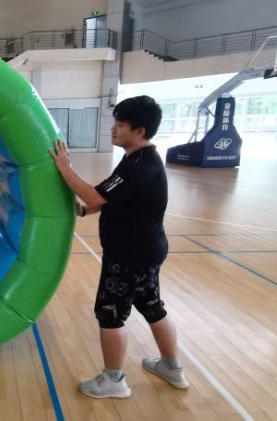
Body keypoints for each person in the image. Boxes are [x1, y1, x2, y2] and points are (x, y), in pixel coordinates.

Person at [50, 96, 188, 399]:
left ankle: (114, 380)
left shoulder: (139, 165)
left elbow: (95, 196)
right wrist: (84, 211)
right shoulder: (140, 160)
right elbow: (112, 199)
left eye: (121, 125)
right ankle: (171, 367)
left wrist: (64, 168)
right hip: (146, 250)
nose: (114, 129)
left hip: (128, 255)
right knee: (152, 306)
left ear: (139, 131)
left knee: (110, 314)